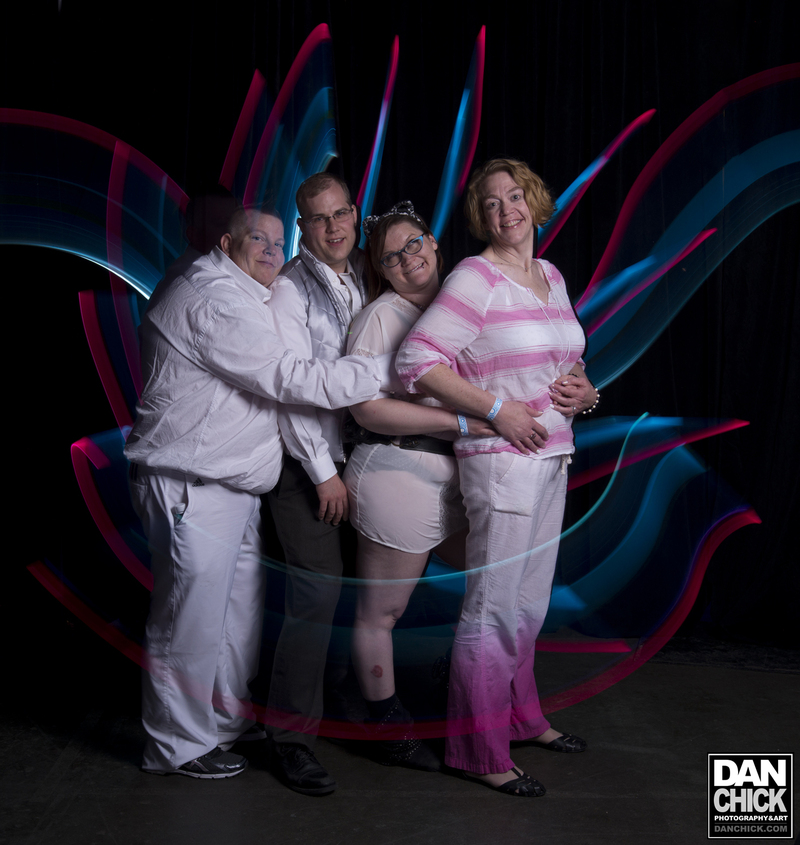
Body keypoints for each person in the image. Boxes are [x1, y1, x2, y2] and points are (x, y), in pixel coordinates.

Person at [125, 205, 392, 780]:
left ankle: (222, 724)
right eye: (257, 239)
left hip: (232, 488)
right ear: (227, 244)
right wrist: (388, 369)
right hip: (192, 487)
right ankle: (176, 747)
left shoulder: (245, 294)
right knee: (189, 625)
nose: (272, 251)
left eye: (278, 241)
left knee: (235, 624)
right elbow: (291, 378)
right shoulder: (212, 299)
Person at [396, 159, 598, 797]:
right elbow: (415, 361)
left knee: (528, 603)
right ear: (480, 217)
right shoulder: (474, 277)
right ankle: (478, 751)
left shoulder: (550, 274)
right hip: (503, 461)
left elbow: (566, 359)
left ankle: (521, 718)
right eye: (491, 202)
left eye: (515, 196)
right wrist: (495, 409)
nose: (506, 210)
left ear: (533, 201)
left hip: (554, 454)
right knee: (492, 607)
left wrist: (587, 391)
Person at [343, 202, 494, 771]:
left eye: (413, 245)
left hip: (454, 474)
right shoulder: (381, 317)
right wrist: (458, 423)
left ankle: (460, 677)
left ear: (432, 242)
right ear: (382, 270)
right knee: (382, 611)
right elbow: (365, 409)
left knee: (494, 574)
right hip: (396, 470)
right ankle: (384, 724)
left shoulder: (460, 305)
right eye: (391, 257)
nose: (407, 260)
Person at [264, 173, 369, 795]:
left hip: (359, 460)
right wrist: (323, 473)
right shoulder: (289, 289)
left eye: (341, 213)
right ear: (302, 225)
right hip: (307, 468)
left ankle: (343, 702)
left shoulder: (363, 276)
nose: (333, 227)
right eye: (319, 218)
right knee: (317, 594)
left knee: (360, 591)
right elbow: (289, 388)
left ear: (354, 213)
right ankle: (290, 738)